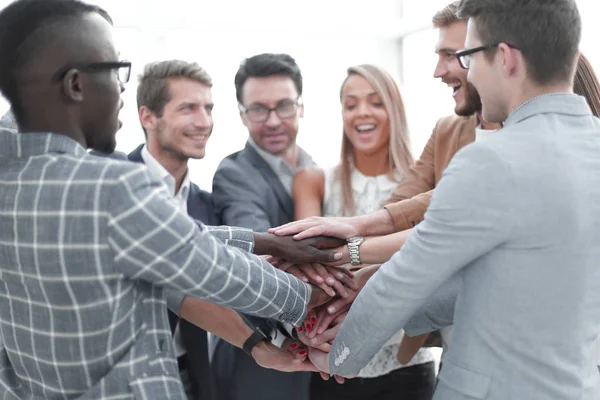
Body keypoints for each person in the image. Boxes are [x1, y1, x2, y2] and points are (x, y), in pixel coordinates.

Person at [0, 1, 339, 398]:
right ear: (75, 85)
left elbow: (162, 241)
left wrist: (261, 241)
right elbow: (208, 267)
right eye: (116, 70)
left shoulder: (14, 177)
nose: (124, 88)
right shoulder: (111, 188)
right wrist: (318, 296)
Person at [317, 0, 600, 399]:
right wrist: (366, 279)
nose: (468, 74)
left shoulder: (491, 159)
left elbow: (404, 282)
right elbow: (504, 280)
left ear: (505, 58)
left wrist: (335, 358)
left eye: (468, 55)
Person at [292, 64, 435, 400]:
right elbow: (308, 264)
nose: (362, 113)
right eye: (351, 104)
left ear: (395, 111)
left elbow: (434, 263)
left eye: (376, 102)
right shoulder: (313, 180)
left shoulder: (428, 189)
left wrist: (345, 260)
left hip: (407, 365)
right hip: (333, 364)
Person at [212, 53, 320, 400]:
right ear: (242, 114)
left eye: (284, 106)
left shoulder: (319, 171)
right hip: (260, 366)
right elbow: (258, 254)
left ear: (301, 107)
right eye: (258, 109)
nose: (273, 120)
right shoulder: (235, 174)